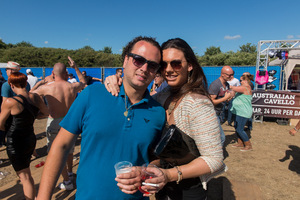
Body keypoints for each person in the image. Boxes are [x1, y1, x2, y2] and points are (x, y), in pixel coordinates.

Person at [36, 36, 166, 200]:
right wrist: (43, 196)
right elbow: (60, 146)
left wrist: (147, 171)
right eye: (138, 60)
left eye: (152, 65)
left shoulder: (158, 113)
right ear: (125, 60)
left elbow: (156, 158)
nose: (145, 68)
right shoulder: (92, 95)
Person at [106, 38, 225, 200]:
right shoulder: (161, 97)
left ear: (190, 65)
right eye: (163, 65)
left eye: (175, 64)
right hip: (160, 184)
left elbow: (215, 159)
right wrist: (116, 81)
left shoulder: (198, 104)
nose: (168, 70)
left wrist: (169, 175)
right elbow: (136, 97)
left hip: (187, 189)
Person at [32, 56, 86, 191]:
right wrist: (75, 67)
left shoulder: (47, 87)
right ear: (66, 74)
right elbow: (83, 82)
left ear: (52, 74)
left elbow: (30, 94)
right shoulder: (72, 86)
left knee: (55, 154)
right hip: (70, 122)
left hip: (55, 122)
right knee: (69, 151)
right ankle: (69, 172)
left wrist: (43, 110)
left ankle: (67, 182)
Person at [0, 72, 48, 200]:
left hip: (15, 140)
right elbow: (46, 113)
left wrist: (6, 130)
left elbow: (0, 123)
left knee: (24, 177)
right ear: (26, 83)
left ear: (11, 85)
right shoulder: (36, 98)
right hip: (30, 139)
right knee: (26, 174)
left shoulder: (11, 101)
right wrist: (32, 117)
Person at [229, 74, 254, 151]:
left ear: (245, 81)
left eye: (241, 80)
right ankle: (240, 143)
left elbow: (232, 87)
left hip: (244, 112)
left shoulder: (246, 88)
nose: (240, 82)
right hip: (239, 111)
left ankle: (248, 145)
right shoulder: (241, 88)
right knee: (237, 127)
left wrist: (225, 83)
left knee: (240, 129)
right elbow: (233, 91)